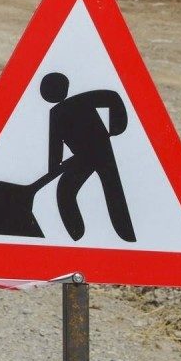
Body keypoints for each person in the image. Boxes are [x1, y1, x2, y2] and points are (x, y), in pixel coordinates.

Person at [40, 72, 136, 242]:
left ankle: (127, 236)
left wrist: (116, 127)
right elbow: (55, 145)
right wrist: (54, 167)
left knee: (112, 189)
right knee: (65, 190)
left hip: (101, 151)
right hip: (82, 158)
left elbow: (112, 97)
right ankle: (77, 237)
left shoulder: (80, 101)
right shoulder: (56, 113)